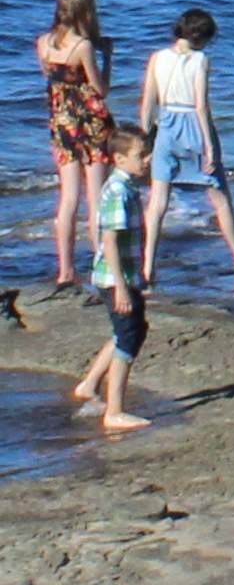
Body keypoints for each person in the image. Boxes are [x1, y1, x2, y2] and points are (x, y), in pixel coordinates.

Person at [140, 9, 234, 288]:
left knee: (157, 203)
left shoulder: (157, 58)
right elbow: (201, 106)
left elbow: (147, 104)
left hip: (166, 125)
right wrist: (210, 146)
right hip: (193, 126)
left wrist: (145, 140)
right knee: (220, 199)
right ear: (203, 38)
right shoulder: (200, 60)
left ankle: (148, 266)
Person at [73, 122, 153, 433]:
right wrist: (121, 286)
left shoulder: (126, 188)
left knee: (132, 329)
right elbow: (109, 242)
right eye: (141, 155)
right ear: (120, 159)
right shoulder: (118, 191)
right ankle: (115, 411)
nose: (146, 160)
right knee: (128, 338)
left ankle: (89, 384)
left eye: (147, 154)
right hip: (113, 278)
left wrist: (138, 276)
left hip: (124, 276)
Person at [35, 0, 115, 291]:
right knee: (96, 197)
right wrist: (107, 57)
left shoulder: (43, 43)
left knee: (68, 199)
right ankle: (101, 263)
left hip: (61, 123)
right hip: (91, 124)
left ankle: (65, 269)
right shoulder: (82, 46)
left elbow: (53, 82)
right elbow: (99, 90)